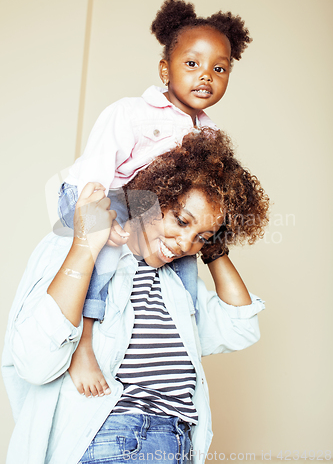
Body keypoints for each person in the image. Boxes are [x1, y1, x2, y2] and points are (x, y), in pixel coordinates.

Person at [3, 130, 269, 464]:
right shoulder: (77, 248)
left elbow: (239, 328)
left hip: (178, 444)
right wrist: (85, 246)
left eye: (200, 236)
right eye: (181, 220)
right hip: (114, 440)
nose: (186, 244)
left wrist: (214, 248)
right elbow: (34, 363)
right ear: (154, 196)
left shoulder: (176, 283)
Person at [57, 0, 253, 396]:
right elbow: (99, 166)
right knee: (103, 255)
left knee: (180, 262)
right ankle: (84, 343)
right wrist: (97, 217)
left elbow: (191, 195)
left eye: (220, 69)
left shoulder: (208, 134)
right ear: (166, 68)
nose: (206, 76)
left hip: (142, 203)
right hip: (96, 192)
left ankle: (181, 341)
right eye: (192, 64)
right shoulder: (131, 112)